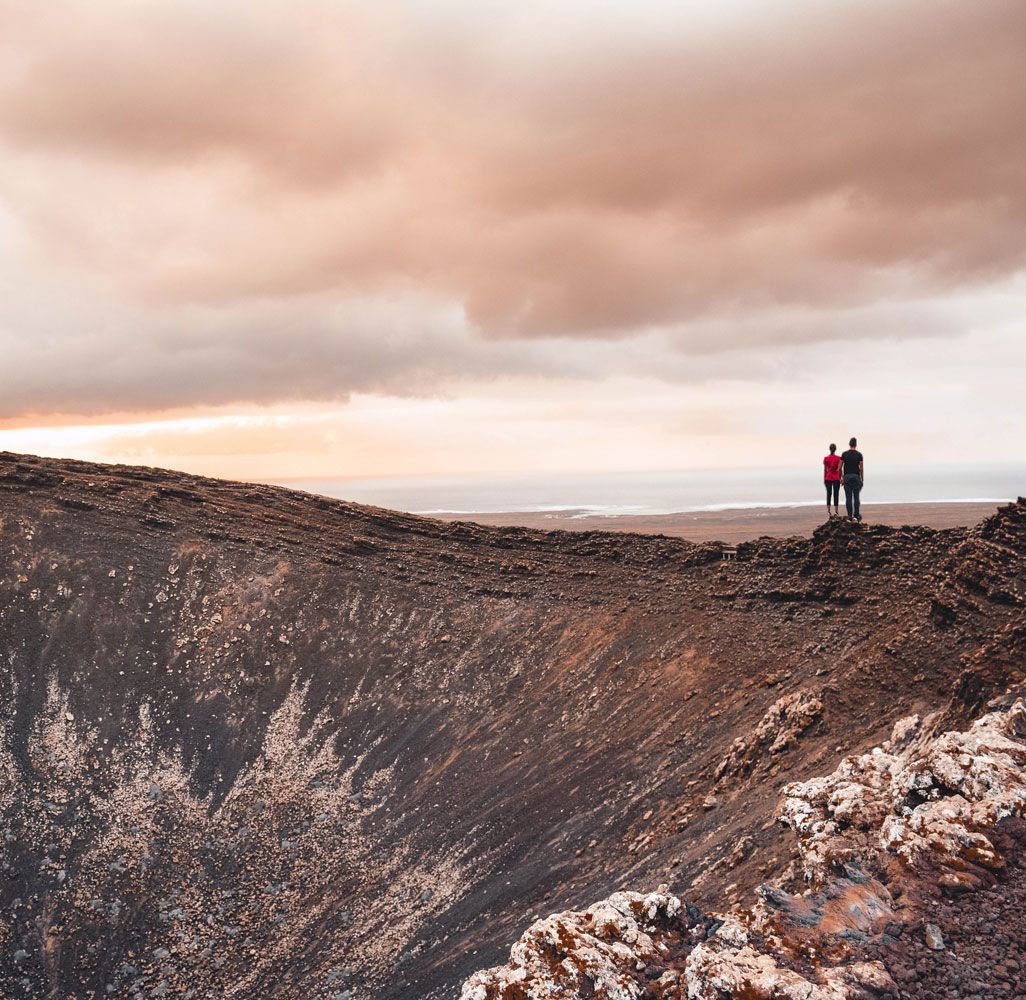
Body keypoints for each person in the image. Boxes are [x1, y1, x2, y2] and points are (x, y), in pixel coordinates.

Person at [840, 437, 864, 522]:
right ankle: (856, 516)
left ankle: (850, 516)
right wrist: (862, 479)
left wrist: (842, 478)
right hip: (856, 477)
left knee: (848, 498)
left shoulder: (844, 454)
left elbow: (839, 468)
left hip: (847, 478)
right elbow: (861, 468)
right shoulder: (859, 455)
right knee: (856, 497)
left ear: (849, 444)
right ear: (856, 445)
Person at [822, 443, 842, 517]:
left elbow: (825, 470)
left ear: (829, 449)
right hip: (836, 477)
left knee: (829, 494)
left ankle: (828, 511)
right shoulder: (839, 458)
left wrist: (824, 478)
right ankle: (836, 511)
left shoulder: (826, 458)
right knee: (836, 494)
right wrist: (841, 478)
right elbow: (839, 469)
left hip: (828, 477)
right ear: (835, 449)